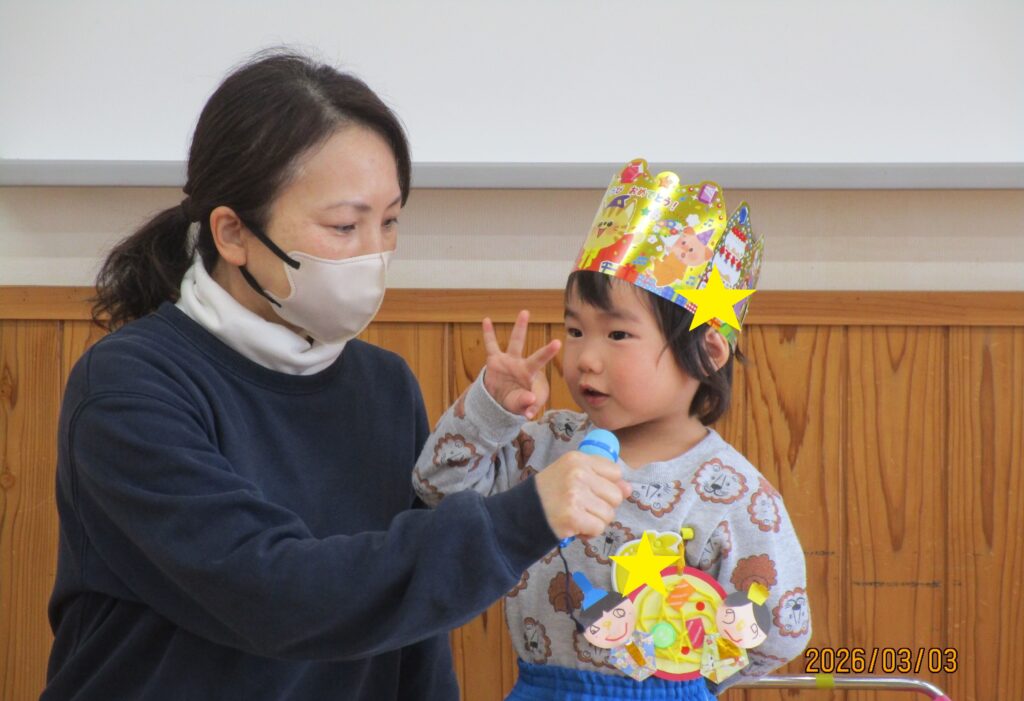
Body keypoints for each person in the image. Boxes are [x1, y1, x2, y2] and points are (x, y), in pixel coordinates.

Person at [42, 50, 631, 701]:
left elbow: (412, 635)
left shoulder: (384, 385)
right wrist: (522, 517)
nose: (374, 254)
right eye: (345, 225)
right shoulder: (128, 386)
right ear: (233, 234)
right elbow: (275, 593)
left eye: (390, 221)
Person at [413, 161, 811, 700]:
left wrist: (679, 681)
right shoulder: (543, 443)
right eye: (575, 330)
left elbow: (780, 630)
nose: (585, 358)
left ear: (708, 352)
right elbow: (438, 488)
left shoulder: (733, 493)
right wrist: (491, 409)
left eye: (618, 334)